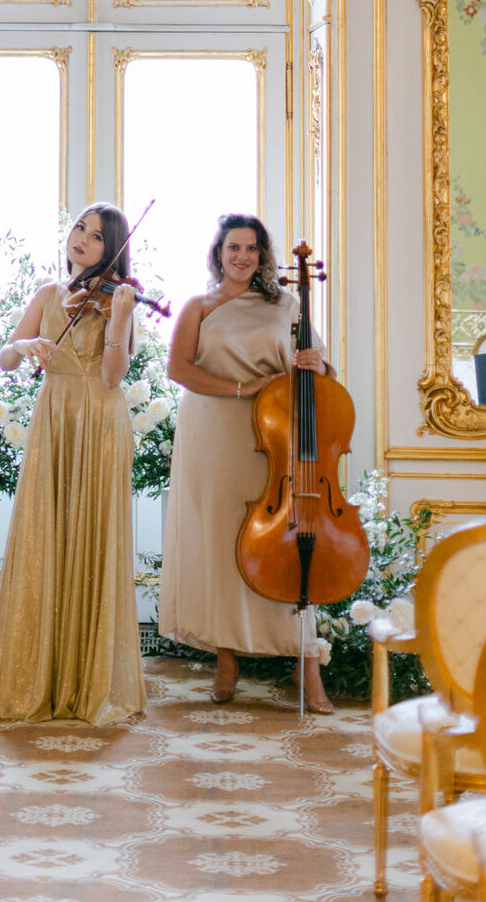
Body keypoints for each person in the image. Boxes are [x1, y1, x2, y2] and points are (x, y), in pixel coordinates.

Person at [0, 203, 146, 725]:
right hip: (54, 415)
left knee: (93, 535)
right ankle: (38, 675)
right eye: (79, 228)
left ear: (111, 249)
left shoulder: (117, 300)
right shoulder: (49, 294)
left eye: (97, 236)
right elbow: (5, 358)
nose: (82, 239)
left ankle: (88, 682)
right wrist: (26, 343)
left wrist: (118, 318)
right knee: (45, 532)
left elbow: (113, 376)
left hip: (100, 419)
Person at [159, 212, 334, 712]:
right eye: (233, 247)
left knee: (283, 545)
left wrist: (317, 364)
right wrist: (243, 387)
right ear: (218, 253)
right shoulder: (198, 306)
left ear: (262, 255)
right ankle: (226, 661)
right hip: (213, 433)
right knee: (221, 543)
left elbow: (323, 371)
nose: (242, 256)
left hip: (273, 433)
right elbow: (179, 369)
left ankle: (307, 666)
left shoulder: (287, 304)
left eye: (251, 248)